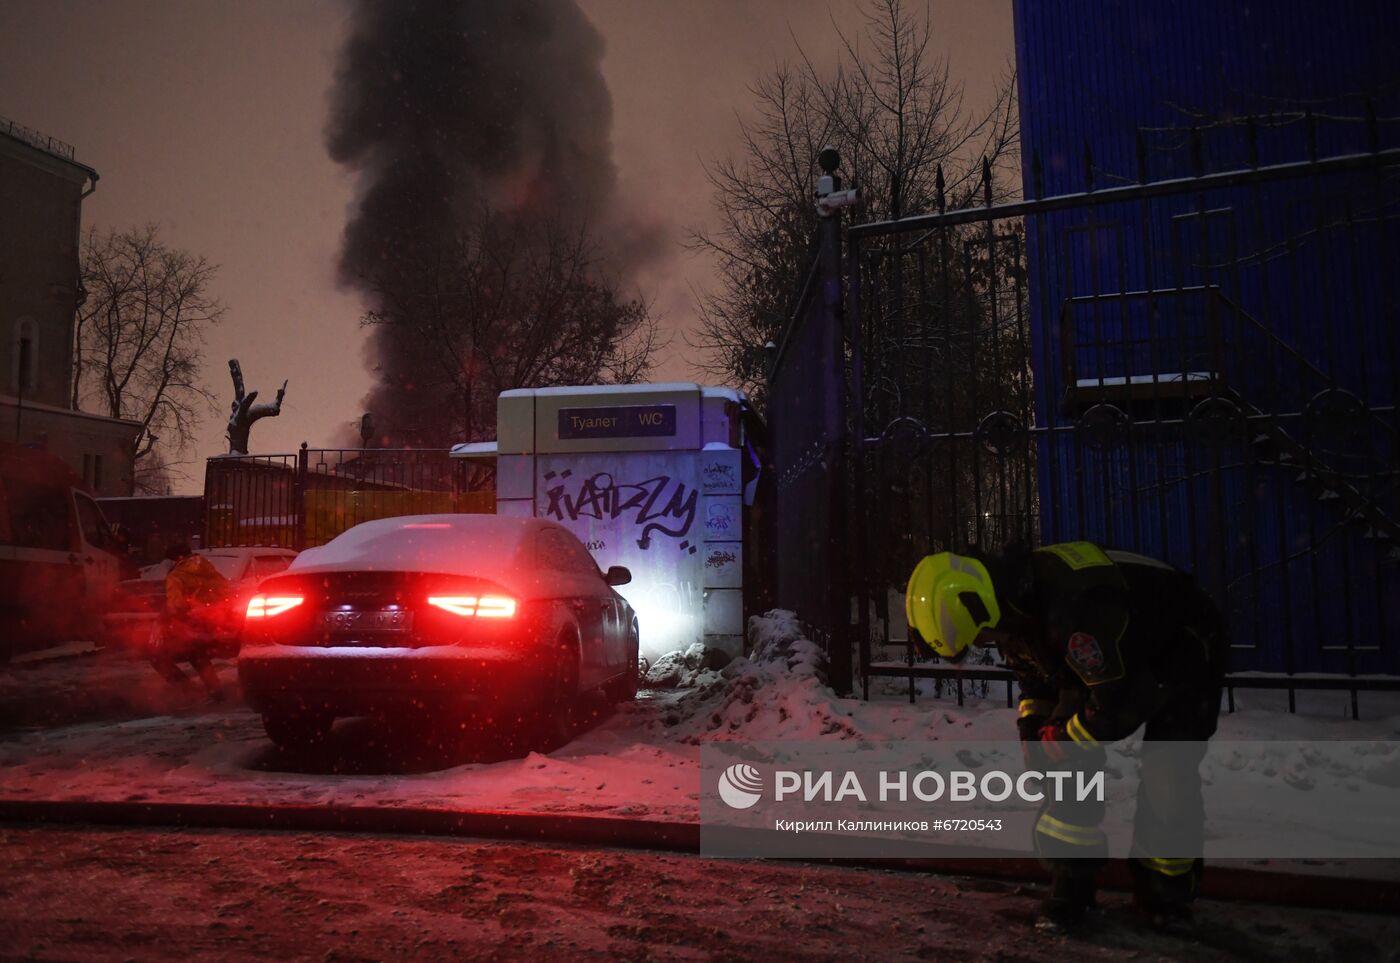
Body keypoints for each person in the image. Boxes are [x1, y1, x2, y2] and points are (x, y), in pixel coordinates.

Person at [905, 541, 1226, 930]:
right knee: (1061, 764)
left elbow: (1116, 707)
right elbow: (1037, 681)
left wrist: (1064, 737)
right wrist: (1034, 730)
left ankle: (1166, 896)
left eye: (982, 636)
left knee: (1168, 774)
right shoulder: (1013, 610)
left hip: (1183, 651)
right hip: (1111, 665)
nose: (984, 643)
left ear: (981, 605)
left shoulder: (1077, 605)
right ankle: (1072, 886)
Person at [148, 543, 231, 700]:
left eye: (171, 560)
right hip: (210, 622)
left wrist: (168, 617)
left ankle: (187, 690)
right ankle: (216, 691)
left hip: (185, 623)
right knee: (197, 655)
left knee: (156, 656)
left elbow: (175, 606)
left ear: (178, 558)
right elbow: (225, 591)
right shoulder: (209, 570)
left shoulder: (176, 576)